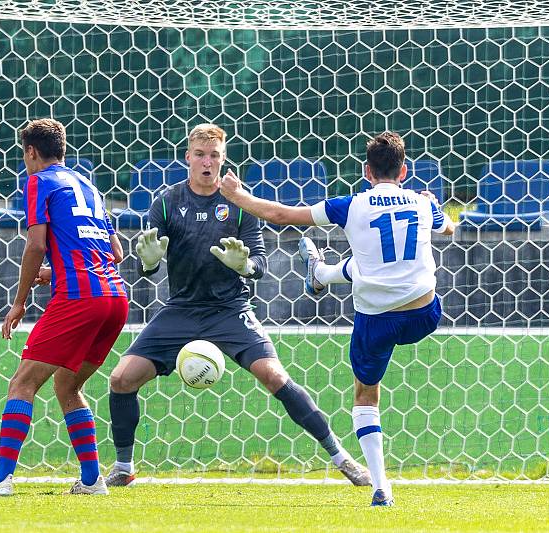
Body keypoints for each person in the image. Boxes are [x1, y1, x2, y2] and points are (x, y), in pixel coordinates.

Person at [106, 123, 371, 487]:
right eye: (200, 154)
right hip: (180, 310)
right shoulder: (167, 202)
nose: (207, 162)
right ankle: (123, 467)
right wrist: (149, 261)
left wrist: (243, 265)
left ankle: (343, 459)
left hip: (231, 310)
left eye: (214, 155)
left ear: (223, 159)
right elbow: (144, 269)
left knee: (276, 376)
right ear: (188, 157)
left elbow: (259, 265)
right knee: (121, 379)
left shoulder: (240, 205)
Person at [219, 131, 456, 506]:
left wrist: (237, 196)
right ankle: (324, 273)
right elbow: (449, 228)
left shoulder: (351, 205)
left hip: (376, 321)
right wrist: (432, 204)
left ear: (366, 171)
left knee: (365, 395)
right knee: (378, 261)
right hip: (425, 314)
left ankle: (381, 488)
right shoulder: (422, 203)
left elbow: (281, 215)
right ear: (405, 170)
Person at [0, 118, 129, 496]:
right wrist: (57, 270)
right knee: (67, 384)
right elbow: (117, 253)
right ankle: (92, 481)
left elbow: (36, 245)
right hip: (115, 299)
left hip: (79, 298)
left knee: (22, 383)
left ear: (30, 152)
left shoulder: (38, 182)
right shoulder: (88, 185)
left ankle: (1, 480)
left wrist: (19, 302)